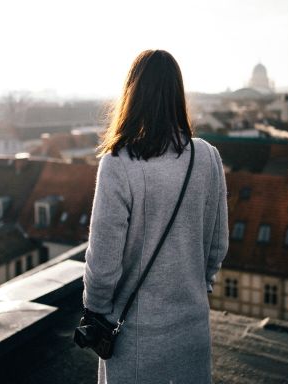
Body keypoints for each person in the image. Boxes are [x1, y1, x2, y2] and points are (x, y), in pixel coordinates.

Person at [82, 49, 228, 384]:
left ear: (132, 95)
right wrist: (196, 287)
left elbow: (103, 263)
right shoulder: (207, 157)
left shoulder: (118, 164)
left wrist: (98, 312)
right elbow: (217, 245)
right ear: (178, 95)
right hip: (192, 331)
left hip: (136, 339)